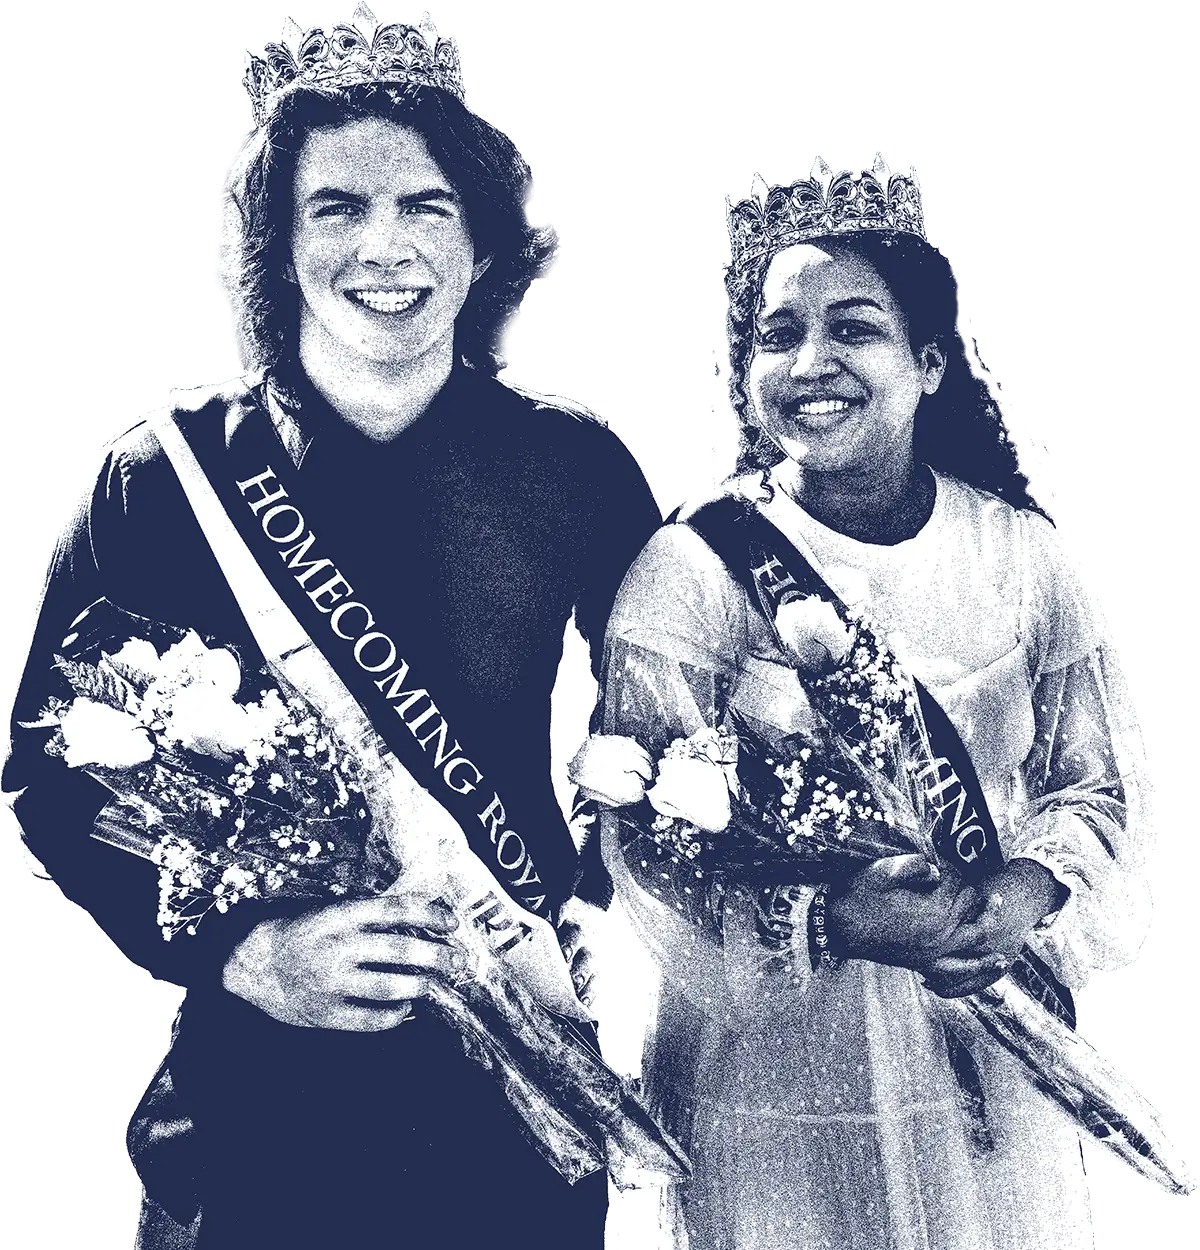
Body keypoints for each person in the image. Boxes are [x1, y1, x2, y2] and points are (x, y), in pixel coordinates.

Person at [2, 9, 660, 1248]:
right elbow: (47, 775)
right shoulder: (164, 480)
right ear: (278, 245)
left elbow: (675, 741)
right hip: (257, 1113)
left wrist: (599, 878)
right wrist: (246, 953)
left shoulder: (577, 473)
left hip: (510, 1104)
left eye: (425, 205)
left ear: (480, 244)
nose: (385, 245)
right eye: (336, 208)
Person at [571, 157, 1154, 1249]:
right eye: (779, 334)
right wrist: (831, 918)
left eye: (854, 329)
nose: (813, 362)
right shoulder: (690, 571)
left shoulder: (1021, 557)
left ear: (929, 362)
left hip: (982, 1046)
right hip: (775, 1068)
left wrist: (1024, 889)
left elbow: (1098, 782)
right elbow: (640, 841)